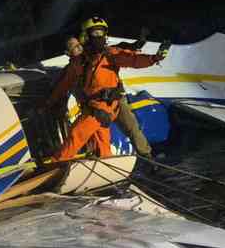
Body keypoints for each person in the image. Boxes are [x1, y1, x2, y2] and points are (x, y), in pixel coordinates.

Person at [46, 16, 163, 161]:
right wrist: (49, 103)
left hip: (112, 103)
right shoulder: (79, 63)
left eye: (101, 33)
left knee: (130, 129)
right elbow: (63, 85)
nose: (99, 37)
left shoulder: (108, 55)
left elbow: (131, 58)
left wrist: (153, 58)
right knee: (99, 138)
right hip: (95, 108)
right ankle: (104, 159)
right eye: (95, 34)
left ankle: (147, 157)